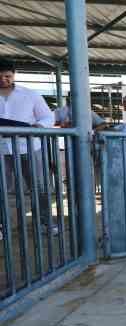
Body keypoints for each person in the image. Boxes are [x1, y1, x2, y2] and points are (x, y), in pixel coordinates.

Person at [0, 59, 58, 236]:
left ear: (14, 74)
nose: (3, 80)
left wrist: (39, 127)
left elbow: (48, 117)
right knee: (1, 188)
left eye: (7, 76)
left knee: (38, 186)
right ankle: (2, 225)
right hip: (2, 149)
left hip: (29, 147)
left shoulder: (30, 95)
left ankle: (45, 223)